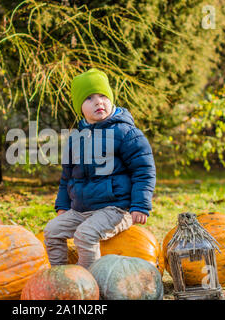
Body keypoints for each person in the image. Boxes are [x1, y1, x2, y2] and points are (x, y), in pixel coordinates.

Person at [43, 68, 156, 269]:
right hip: (81, 210)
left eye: (103, 95)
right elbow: (67, 178)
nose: (98, 102)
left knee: (85, 235)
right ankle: (59, 276)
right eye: (89, 98)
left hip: (116, 208)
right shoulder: (76, 139)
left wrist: (140, 205)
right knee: (52, 230)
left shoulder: (126, 132)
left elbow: (144, 170)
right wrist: (63, 205)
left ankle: (88, 282)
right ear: (80, 108)